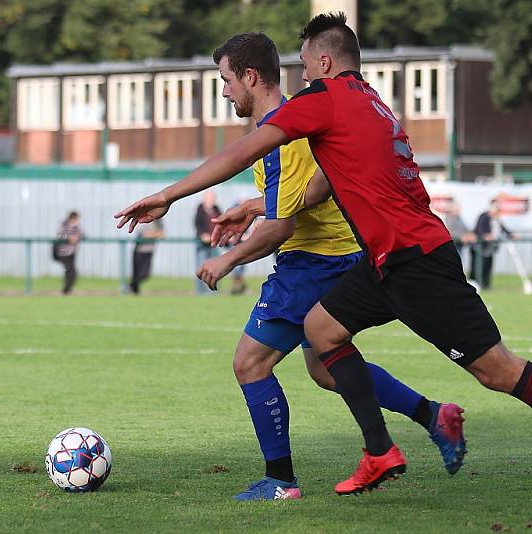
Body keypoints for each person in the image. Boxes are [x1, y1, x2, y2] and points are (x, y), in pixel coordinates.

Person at [114, 12, 532, 513]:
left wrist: (171, 195)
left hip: (417, 262)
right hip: (382, 260)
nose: (300, 74)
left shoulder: (324, 100)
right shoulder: (369, 101)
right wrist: (258, 206)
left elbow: (242, 152)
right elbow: (325, 181)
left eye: (304, 61)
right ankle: (380, 450)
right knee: (322, 331)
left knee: (498, 371)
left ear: (324, 63)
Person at [190, 32, 465, 501]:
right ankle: (433, 416)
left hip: (311, 264)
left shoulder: (277, 134)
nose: (224, 91)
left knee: (250, 364)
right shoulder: (301, 118)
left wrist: (227, 260)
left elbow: (284, 227)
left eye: (226, 80)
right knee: (326, 369)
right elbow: (313, 191)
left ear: (250, 77)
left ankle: (280, 481)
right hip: (343, 257)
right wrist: (257, 206)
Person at [471, 201, 511, 290]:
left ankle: (486, 285)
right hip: (481, 247)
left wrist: (511, 234)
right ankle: (477, 285)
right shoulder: (484, 217)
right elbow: (479, 230)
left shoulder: (496, 219)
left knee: (488, 266)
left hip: (490, 247)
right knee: (479, 266)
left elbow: (503, 228)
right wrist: (485, 235)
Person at [194, 191, 221, 295]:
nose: (212, 200)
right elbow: (197, 224)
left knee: (214, 268)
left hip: (214, 243)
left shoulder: (217, 209)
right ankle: (200, 292)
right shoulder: (199, 209)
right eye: (210, 198)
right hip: (202, 244)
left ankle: (212, 292)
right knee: (201, 268)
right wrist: (202, 235)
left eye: (213, 198)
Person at [129, 220, 164, 295]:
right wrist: (156, 234)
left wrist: (154, 234)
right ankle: (133, 290)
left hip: (149, 250)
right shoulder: (143, 220)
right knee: (137, 274)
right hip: (139, 251)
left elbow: (162, 234)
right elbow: (143, 234)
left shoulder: (158, 221)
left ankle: (131, 287)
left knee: (145, 274)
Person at [55, 211, 84, 295]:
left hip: (72, 252)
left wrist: (77, 237)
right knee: (69, 271)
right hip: (64, 253)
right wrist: (69, 238)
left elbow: (83, 234)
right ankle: (65, 290)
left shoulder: (76, 227)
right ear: (72, 218)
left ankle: (66, 290)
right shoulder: (63, 225)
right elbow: (59, 234)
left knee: (72, 272)